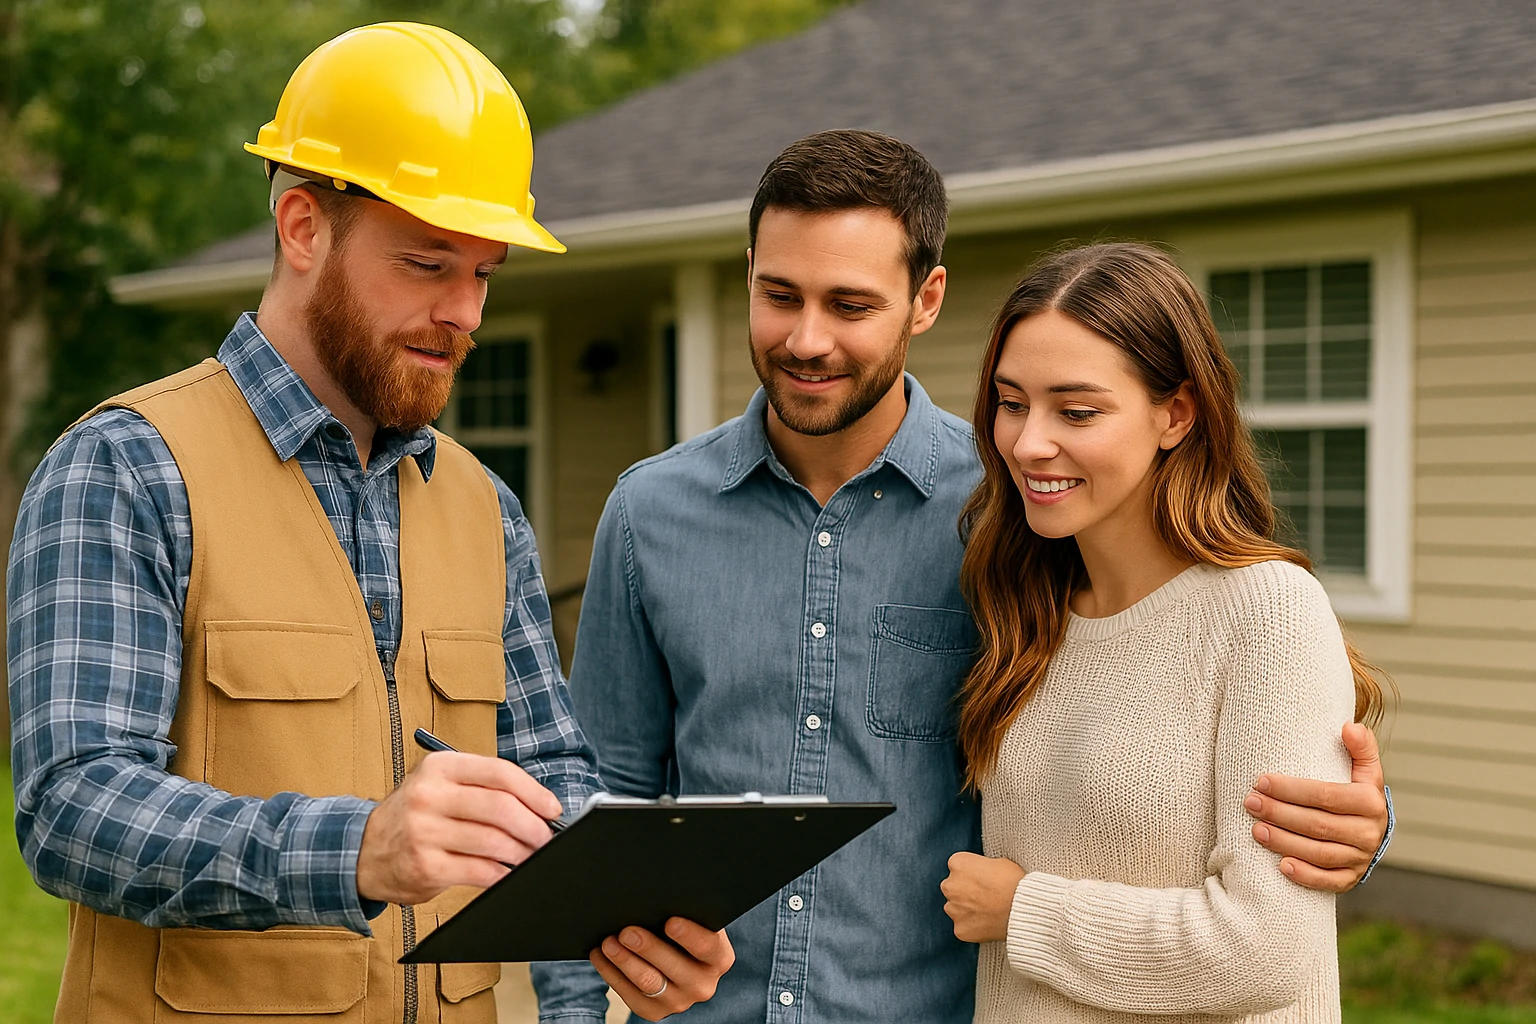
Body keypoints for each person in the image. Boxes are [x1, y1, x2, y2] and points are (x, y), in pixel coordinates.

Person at [533, 131, 1394, 1024]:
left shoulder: (1016, 511)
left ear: (925, 298)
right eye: (778, 294)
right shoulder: (650, 513)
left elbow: (1175, 684)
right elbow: (600, 795)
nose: (806, 338)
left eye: (851, 303)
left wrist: (1354, 823)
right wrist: (570, 1010)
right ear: (748, 273)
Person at [7, 23, 730, 1024]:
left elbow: (550, 779)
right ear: (303, 227)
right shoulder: (129, 466)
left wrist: (626, 921)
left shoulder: (484, 507)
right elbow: (73, 808)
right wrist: (354, 849)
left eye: (483, 274)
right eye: (430, 264)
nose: (467, 313)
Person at [939, 242, 1390, 1022]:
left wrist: (1026, 912)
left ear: (1175, 414)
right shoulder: (1025, 610)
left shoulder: (1267, 611)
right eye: (1012, 403)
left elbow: (1267, 949)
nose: (1028, 442)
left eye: (1077, 411)